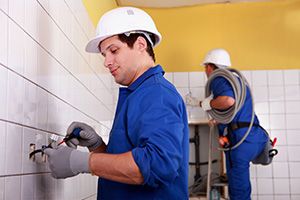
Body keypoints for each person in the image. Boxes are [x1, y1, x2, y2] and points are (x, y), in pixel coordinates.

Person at [44, 6, 189, 200]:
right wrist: (97, 146)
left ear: (140, 45)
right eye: (105, 55)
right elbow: (127, 164)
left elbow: (157, 165)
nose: (107, 62)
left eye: (114, 50)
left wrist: (83, 162)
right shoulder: (138, 93)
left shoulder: (156, 94)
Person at [187, 48, 268, 200]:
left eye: (205, 67)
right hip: (255, 135)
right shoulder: (238, 80)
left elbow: (229, 101)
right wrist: (218, 119)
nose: (205, 71)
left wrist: (207, 103)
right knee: (242, 186)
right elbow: (236, 110)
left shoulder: (218, 79)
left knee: (238, 192)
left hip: (241, 140)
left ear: (210, 66)